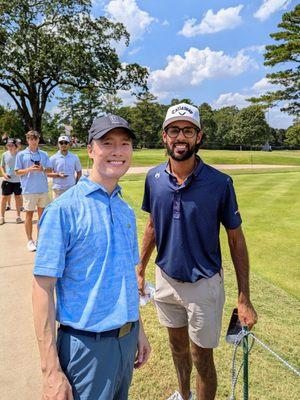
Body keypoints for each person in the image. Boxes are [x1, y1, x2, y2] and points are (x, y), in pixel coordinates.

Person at [137, 103, 257, 400]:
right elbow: (152, 225)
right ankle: (183, 393)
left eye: (188, 130)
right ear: (164, 136)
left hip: (204, 285)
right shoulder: (153, 178)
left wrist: (244, 297)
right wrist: (140, 269)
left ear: (199, 136)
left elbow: (235, 241)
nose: (181, 137)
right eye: (174, 130)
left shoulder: (219, 183)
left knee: (202, 357)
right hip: (165, 280)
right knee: (177, 348)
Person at [32, 114, 151, 400]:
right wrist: (50, 372)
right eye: (107, 143)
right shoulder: (63, 210)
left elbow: (124, 276)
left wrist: (138, 328)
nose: (117, 151)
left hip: (126, 340)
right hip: (87, 348)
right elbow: (42, 290)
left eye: (124, 143)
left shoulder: (124, 211)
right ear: (89, 150)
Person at [15, 130, 52, 252]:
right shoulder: (21, 154)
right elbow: (17, 172)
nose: (33, 141)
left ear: (38, 139)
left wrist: (43, 169)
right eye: (31, 138)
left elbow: (50, 170)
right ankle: (30, 240)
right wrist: (29, 169)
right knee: (29, 216)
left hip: (43, 189)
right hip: (29, 190)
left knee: (42, 217)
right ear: (27, 140)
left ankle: (40, 239)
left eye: (35, 138)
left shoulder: (44, 154)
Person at [0, 138, 23, 225]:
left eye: (11, 145)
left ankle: (18, 216)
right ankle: (2, 217)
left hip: (18, 180)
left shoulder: (20, 155)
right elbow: (2, 166)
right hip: (7, 180)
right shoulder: (4, 154)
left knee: (17, 198)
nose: (10, 147)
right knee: (4, 199)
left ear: (15, 146)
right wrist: (4, 174)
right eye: (8, 145)